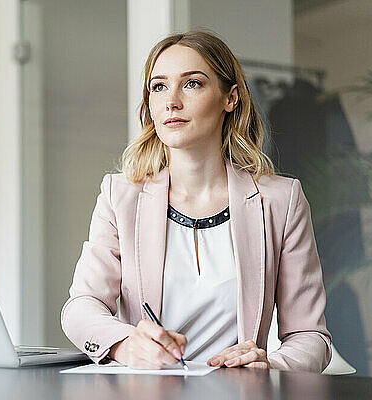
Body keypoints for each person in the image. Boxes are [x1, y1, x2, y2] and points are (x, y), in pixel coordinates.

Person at [60, 31, 332, 372]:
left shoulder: (281, 200)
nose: (171, 101)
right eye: (159, 87)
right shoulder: (120, 195)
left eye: (192, 84)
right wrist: (124, 345)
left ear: (229, 98)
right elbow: (81, 306)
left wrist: (273, 367)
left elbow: (310, 336)